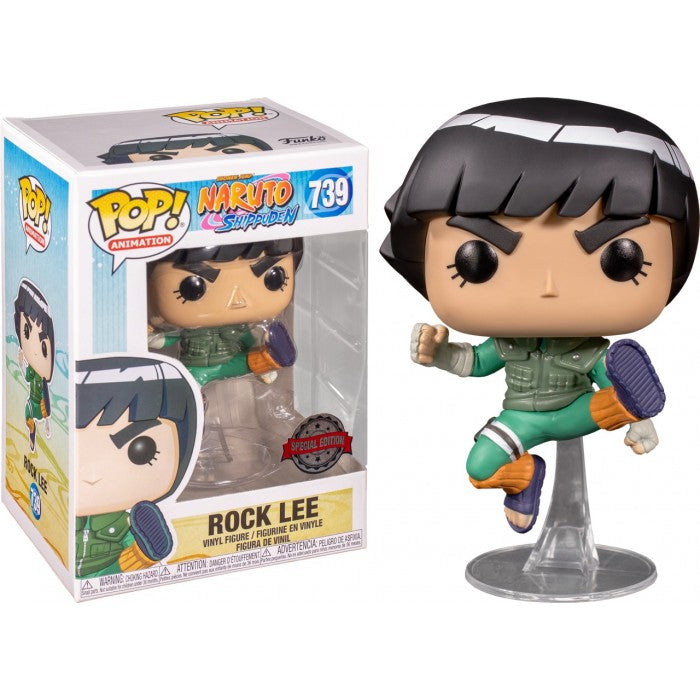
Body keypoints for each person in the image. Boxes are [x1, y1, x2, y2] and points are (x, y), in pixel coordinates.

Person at [381, 98, 698, 533]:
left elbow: (609, 371)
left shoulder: (588, 349)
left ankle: (627, 404)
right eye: (477, 260)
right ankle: (525, 478)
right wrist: (440, 355)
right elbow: (475, 363)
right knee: (478, 469)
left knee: (615, 390)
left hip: (578, 411)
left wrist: (641, 421)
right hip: (520, 418)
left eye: (621, 259)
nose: (549, 287)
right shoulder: (507, 343)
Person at [75, 356, 198, 578]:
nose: (93, 475)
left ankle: (135, 560)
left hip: (111, 573)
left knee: (121, 568)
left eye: (142, 452)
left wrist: (140, 555)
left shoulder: (126, 522)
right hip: (63, 565)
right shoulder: (61, 509)